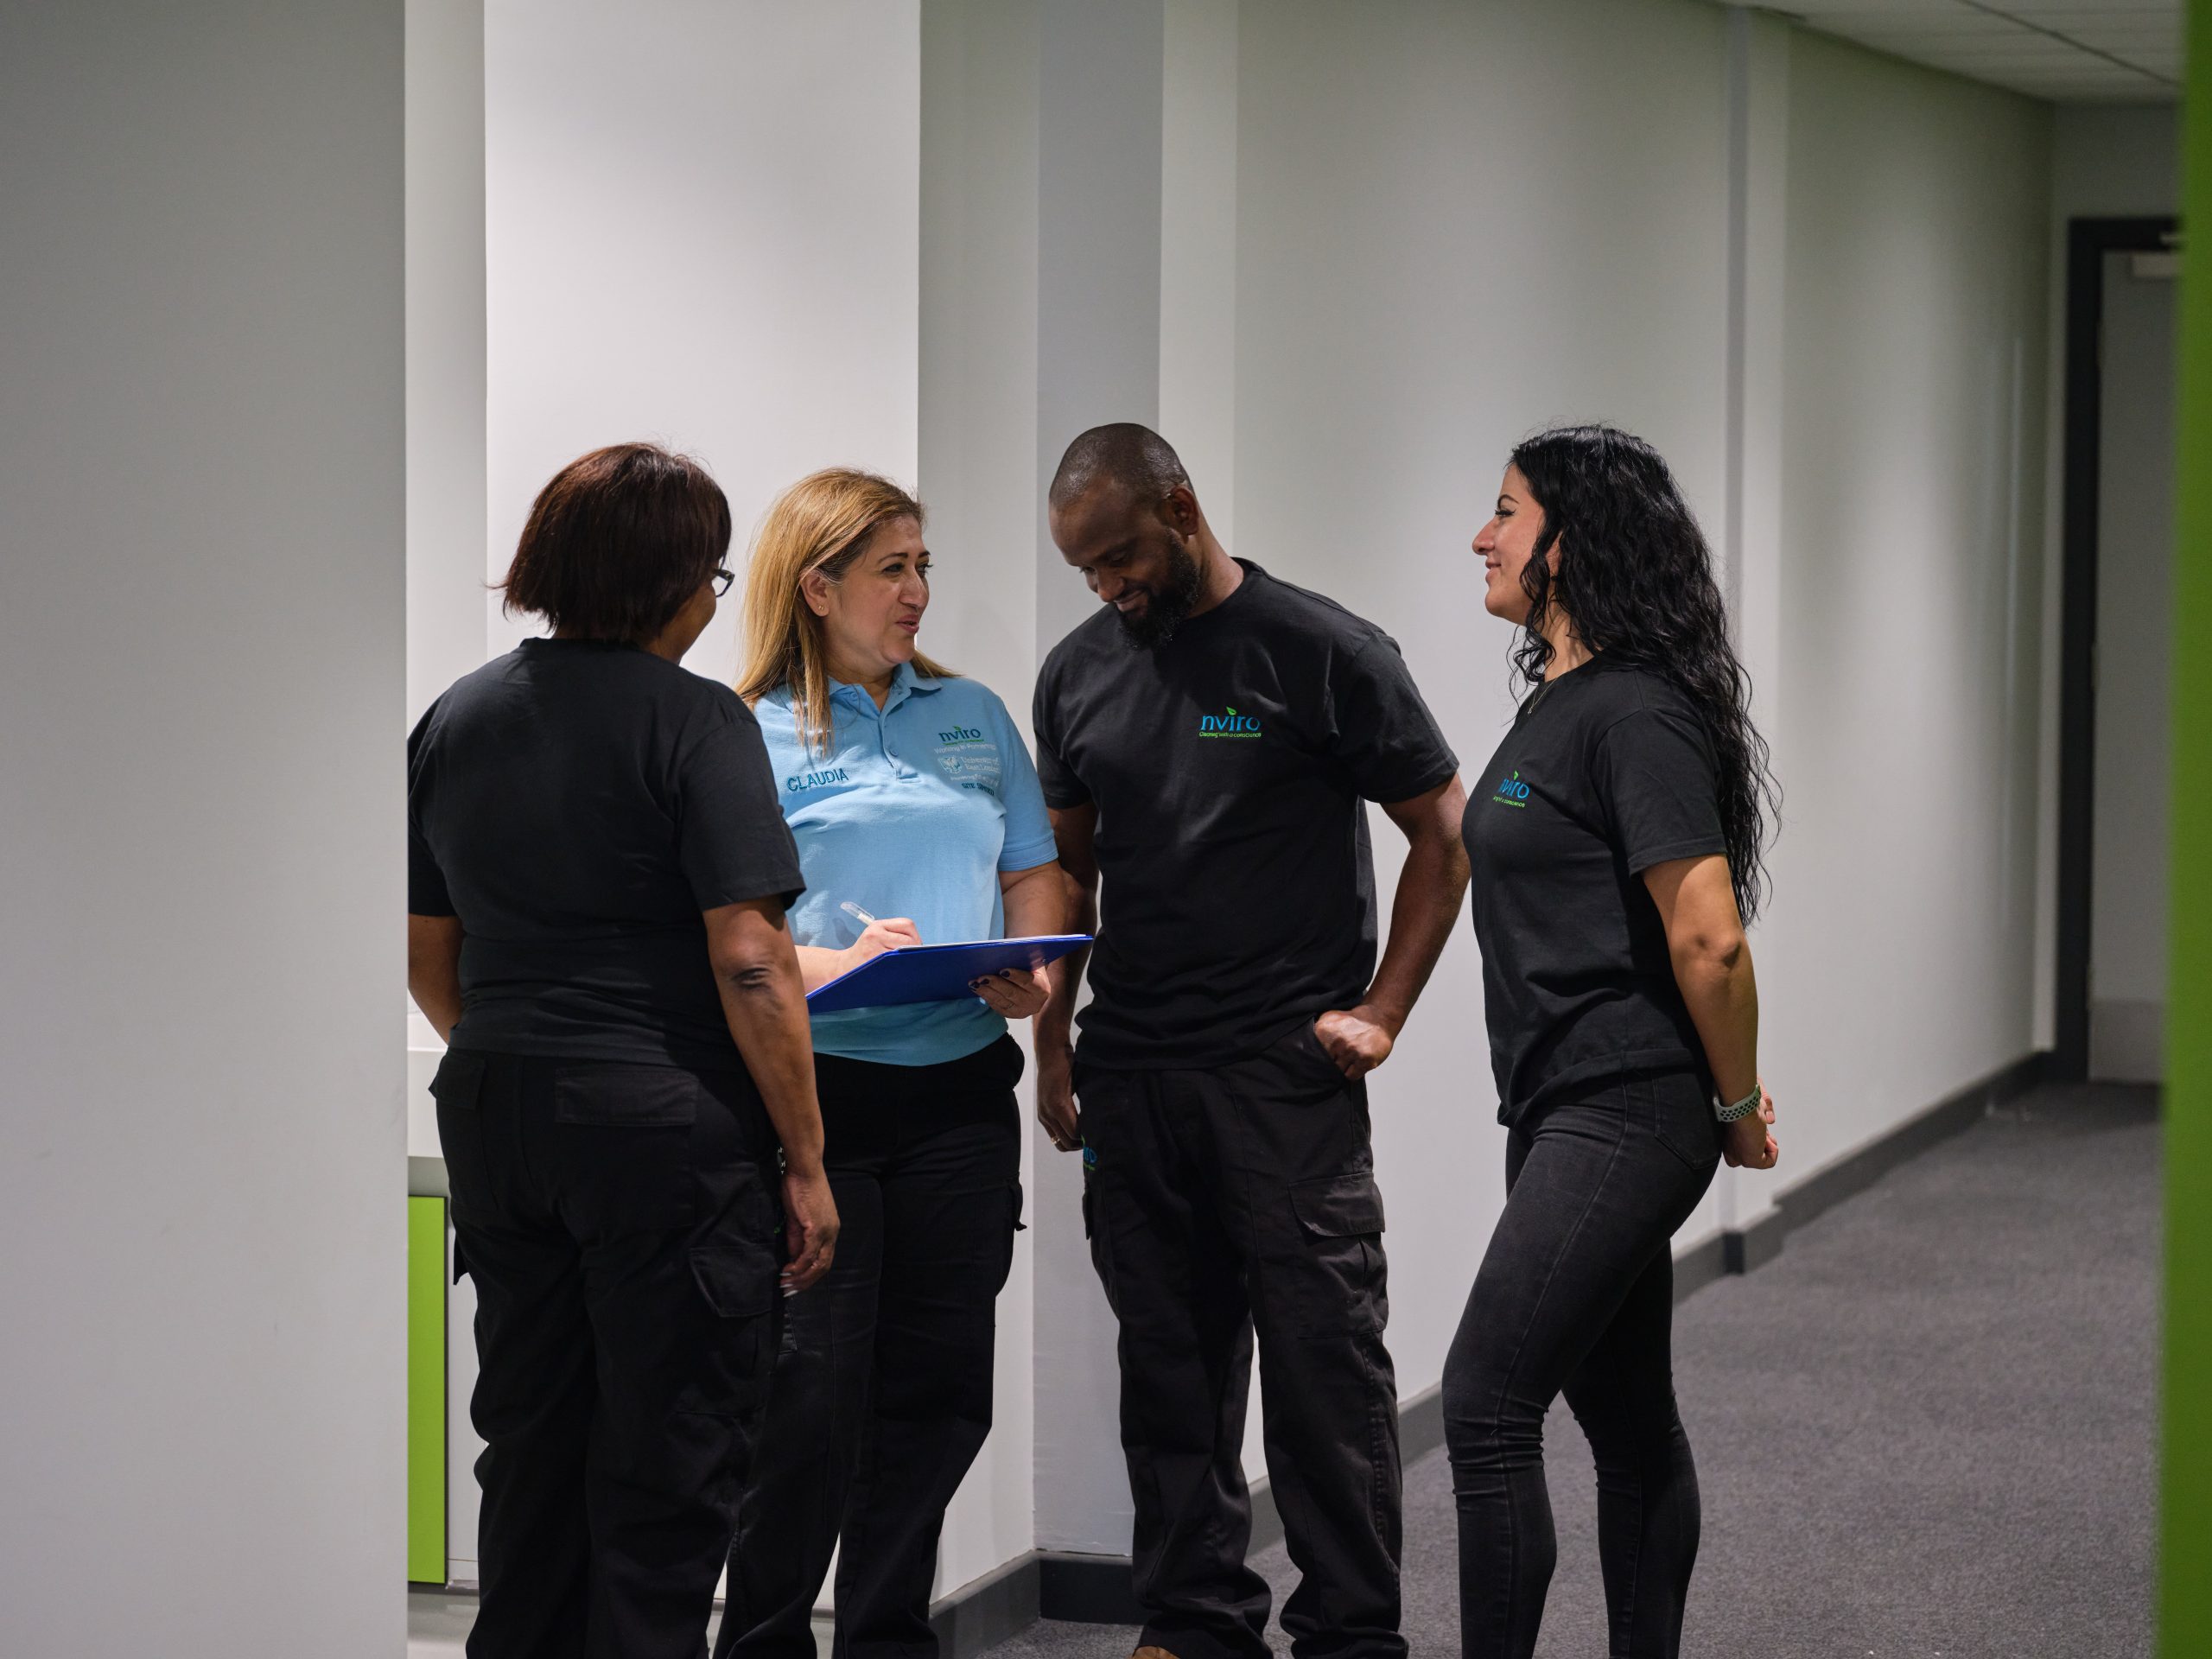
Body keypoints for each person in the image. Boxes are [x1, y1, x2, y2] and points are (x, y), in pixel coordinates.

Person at [1033, 423, 1470, 1659]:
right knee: (1168, 1372)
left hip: (1284, 1077)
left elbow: (1442, 833)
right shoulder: (1075, 675)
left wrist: (1384, 1008)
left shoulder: (1320, 651)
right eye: (1086, 571)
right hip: (1137, 1072)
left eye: (1120, 555)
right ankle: (1195, 1621)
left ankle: (1349, 1632)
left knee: (1325, 1371)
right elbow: (1069, 876)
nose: (1110, 587)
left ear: (1180, 507)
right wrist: (1055, 1047)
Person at [406, 442, 838, 1659]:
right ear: (667, 583)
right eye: (709, 573)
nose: (713, 599)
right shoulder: (696, 723)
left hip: (496, 1108)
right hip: (665, 1130)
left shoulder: (460, 715)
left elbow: (425, 945)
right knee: (670, 1462)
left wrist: (521, 1053)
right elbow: (750, 957)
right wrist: (803, 1157)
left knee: (532, 1448)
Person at [1446, 424, 1782, 1659]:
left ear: (1569, 544)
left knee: (1484, 1407)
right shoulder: (1560, 700)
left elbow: (1709, 940)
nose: (1482, 536)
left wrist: (1738, 1107)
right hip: (1556, 1105)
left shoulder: (1637, 711)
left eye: (1505, 511)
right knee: (1630, 1421)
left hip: (1627, 1105)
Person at [716, 470, 1065, 1659]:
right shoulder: (744, 730)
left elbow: (1031, 865)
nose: (919, 590)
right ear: (816, 587)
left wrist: (1035, 969)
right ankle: (761, 1641)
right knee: (806, 1406)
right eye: (891, 569)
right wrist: (832, 961)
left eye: (924, 566)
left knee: (937, 1396)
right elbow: (723, 930)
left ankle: (886, 1639)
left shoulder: (970, 715)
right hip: (816, 1102)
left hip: (961, 1094)